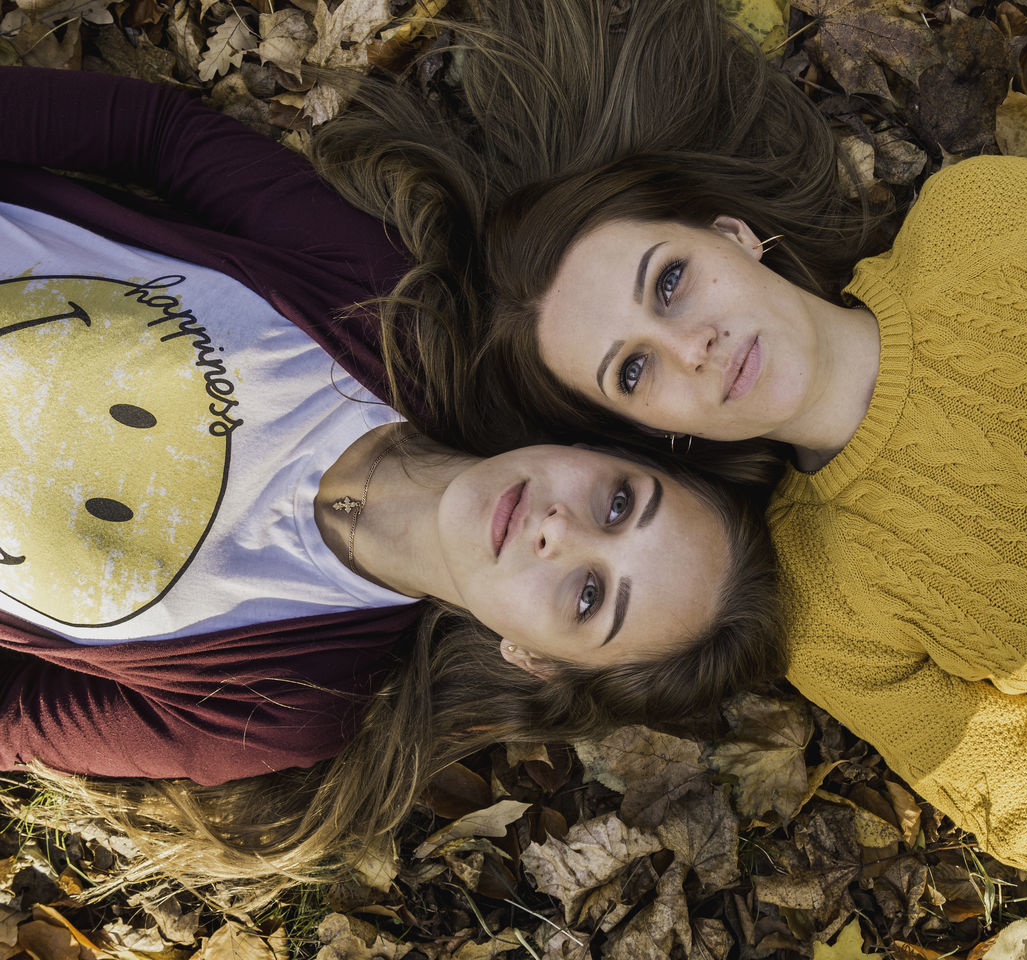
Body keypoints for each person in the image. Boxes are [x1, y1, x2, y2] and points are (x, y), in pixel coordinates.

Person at [318, 1, 1027, 956]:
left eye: (668, 282)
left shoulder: (981, 216)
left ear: (732, 234)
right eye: (635, 371)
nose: (689, 346)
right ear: (645, 433)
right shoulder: (829, 608)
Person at [0, 65, 784, 904]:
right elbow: (156, 134)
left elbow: (12, 721)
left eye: (589, 596)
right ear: (599, 447)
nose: (561, 528)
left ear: (533, 658)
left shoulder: (279, 702)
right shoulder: (389, 301)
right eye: (620, 503)